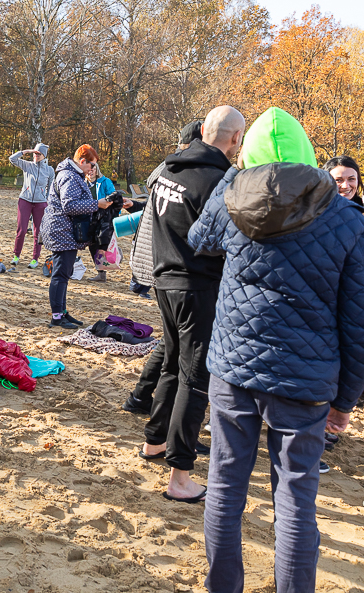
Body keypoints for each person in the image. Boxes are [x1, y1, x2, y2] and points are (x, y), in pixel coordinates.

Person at [188, 107, 364, 593]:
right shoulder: (346, 219)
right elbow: (361, 321)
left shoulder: (233, 198)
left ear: (248, 157)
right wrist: (346, 398)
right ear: (310, 156)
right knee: (294, 501)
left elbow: (201, 237)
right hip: (300, 379)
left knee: (225, 486)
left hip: (238, 370)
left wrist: (232, 172)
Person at [139, 106, 245, 503]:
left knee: (170, 363)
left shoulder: (169, 168)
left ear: (203, 131)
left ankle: (154, 441)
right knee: (194, 378)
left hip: (163, 278)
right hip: (196, 284)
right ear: (235, 139)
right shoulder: (220, 181)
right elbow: (219, 240)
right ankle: (180, 476)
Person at [123, 121, 205, 414]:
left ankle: (141, 397)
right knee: (176, 345)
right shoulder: (180, 171)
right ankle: (147, 401)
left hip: (158, 264)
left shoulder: (167, 169)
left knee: (171, 341)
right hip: (165, 265)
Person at [42, 145, 113, 328]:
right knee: (60, 275)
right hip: (61, 230)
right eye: (91, 165)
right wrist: (97, 204)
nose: (92, 169)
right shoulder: (68, 176)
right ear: (82, 161)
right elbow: (70, 206)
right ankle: (56, 317)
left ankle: (63, 312)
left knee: (65, 273)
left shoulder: (74, 174)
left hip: (66, 231)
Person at [10, 143, 54, 269]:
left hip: (41, 203)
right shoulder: (27, 165)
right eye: (35, 153)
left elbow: (51, 188)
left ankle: (35, 258)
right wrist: (25, 151)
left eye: (39, 154)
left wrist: (48, 202)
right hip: (25, 200)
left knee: (38, 232)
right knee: (22, 229)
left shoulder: (49, 170)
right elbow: (12, 159)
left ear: (44, 155)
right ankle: (16, 255)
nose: (36, 155)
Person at [83, 162, 117, 282]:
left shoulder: (105, 181)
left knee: (102, 243)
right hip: (89, 217)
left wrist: (107, 201)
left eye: (93, 169)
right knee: (92, 245)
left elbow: (113, 194)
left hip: (103, 217)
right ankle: (100, 272)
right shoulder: (83, 183)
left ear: (97, 170)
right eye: (89, 170)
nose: (91, 172)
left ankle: (103, 271)